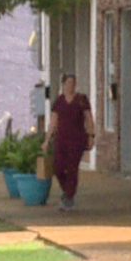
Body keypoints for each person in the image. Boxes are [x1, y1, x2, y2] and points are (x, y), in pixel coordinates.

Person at [42, 73, 95, 211]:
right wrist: (47, 140)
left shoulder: (81, 99)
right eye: (68, 83)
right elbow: (53, 121)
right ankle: (67, 192)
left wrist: (91, 135)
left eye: (73, 82)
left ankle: (68, 198)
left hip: (77, 139)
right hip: (61, 139)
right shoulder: (59, 101)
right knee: (58, 167)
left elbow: (89, 118)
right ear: (63, 84)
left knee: (72, 168)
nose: (71, 85)